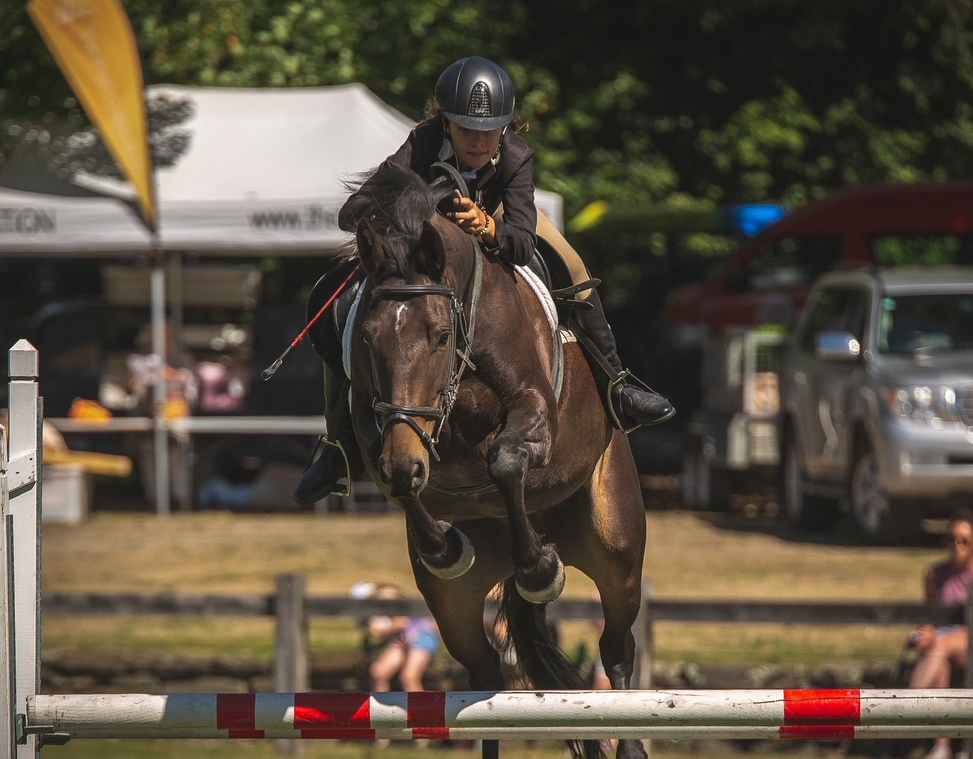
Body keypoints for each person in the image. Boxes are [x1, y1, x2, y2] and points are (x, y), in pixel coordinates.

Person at [295, 55, 674, 505]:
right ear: (446, 123)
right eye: (466, 129)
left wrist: (486, 226)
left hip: (501, 221)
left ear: (506, 127)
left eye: (489, 130)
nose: (477, 140)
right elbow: (351, 211)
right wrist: (409, 205)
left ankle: (618, 384)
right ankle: (340, 442)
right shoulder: (422, 141)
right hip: (429, 239)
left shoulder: (516, 156)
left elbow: (522, 244)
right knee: (341, 297)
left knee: (574, 266)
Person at [908, 508, 973, 759]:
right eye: (953, 539)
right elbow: (929, 618)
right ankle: (943, 745)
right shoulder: (935, 574)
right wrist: (924, 634)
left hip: (967, 640)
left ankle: (906, 705)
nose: (958, 545)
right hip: (943, 643)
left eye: (965, 540)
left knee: (941, 645)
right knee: (940, 659)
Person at [358, 583, 441, 692]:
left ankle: (420, 703)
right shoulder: (386, 614)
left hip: (422, 637)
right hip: (403, 639)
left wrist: (382, 633)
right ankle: (380, 702)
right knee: (378, 672)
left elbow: (401, 623)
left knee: (409, 677)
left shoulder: (403, 608)